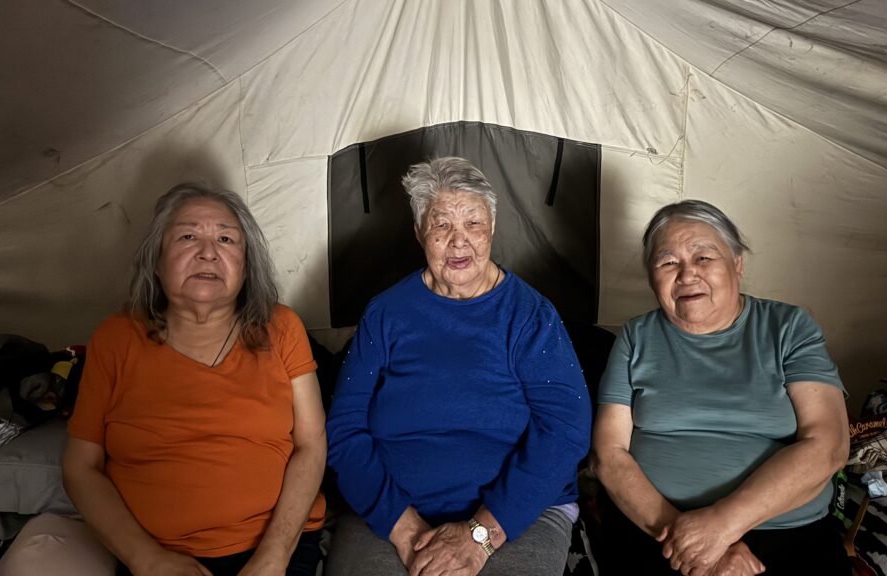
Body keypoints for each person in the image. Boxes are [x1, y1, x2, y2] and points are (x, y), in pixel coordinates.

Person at [34, 183, 325, 576]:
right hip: (155, 555)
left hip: (275, 549)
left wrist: (273, 557)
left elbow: (311, 445)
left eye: (226, 238)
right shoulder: (116, 338)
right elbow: (81, 468)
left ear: (246, 265)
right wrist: (147, 559)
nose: (208, 252)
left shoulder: (282, 328)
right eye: (188, 236)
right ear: (156, 260)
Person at [324, 157, 592, 576]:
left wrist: (479, 535)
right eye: (441, 224)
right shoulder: (386, 313)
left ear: (493, 228)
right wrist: (403, 527)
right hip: (392, 511)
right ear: (419, 233)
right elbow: (344, 429)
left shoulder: (530, 315)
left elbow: (566, 430)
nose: (458, 241)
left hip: (517, 513)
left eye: (473, 223)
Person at [591, 200, 851, 576]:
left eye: (703, 258)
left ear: (737, 263)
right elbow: (608, 455)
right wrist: (690, 541)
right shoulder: (636, 337)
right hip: (658, 529)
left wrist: (721, 525)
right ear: (651, 276)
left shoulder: (788, 327)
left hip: (781, 528)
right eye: (667, 263)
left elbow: (829, 446)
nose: (686, 275)